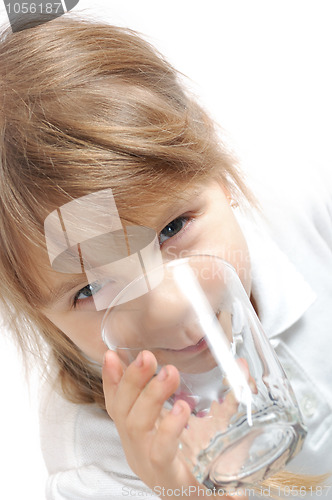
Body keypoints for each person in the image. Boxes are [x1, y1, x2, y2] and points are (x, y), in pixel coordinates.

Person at [0, 13, 331, 500]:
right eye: (91, 289)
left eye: (172, 229)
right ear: (39, 317)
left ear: (216, 165)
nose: (169, 306)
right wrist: (186, 493)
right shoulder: (94, 461)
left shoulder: (301, 211)